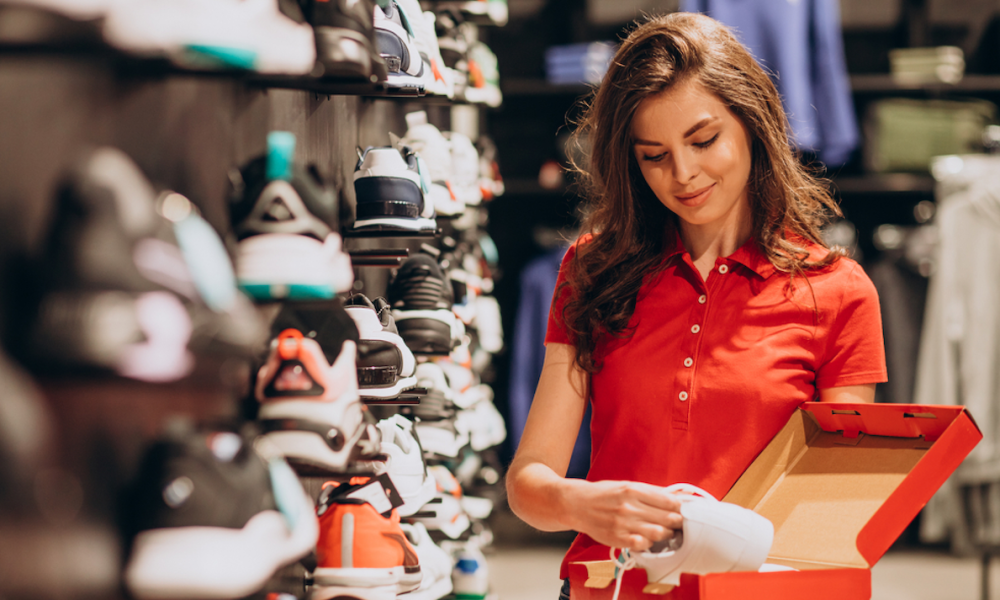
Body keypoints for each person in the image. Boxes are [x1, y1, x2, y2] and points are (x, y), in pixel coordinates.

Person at [504, 12, 887, 598]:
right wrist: (584, 503)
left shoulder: (837, 290)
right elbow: (528, 484)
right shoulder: (591, 270)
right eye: (653, 155)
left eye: (703, 141)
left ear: (754, 124)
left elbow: (835, 512)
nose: (682, 175)